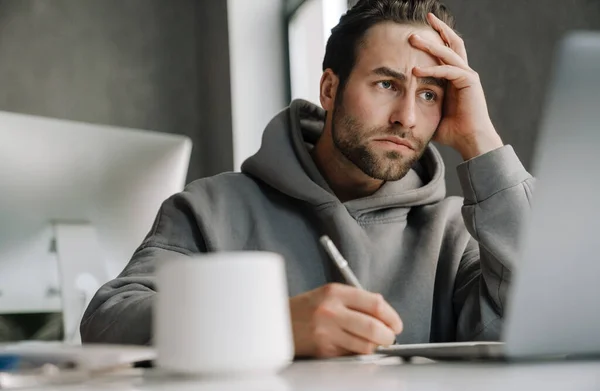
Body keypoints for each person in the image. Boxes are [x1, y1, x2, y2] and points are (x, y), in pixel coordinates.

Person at [81, 0, 534, 358]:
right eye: (386, 84)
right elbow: (108, 322)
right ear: (330, 89)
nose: (408, 118)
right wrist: (268, 326)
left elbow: (540, 317)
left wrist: (483, 141)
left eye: (429, 94)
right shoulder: (211, 207)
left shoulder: (456, 233)